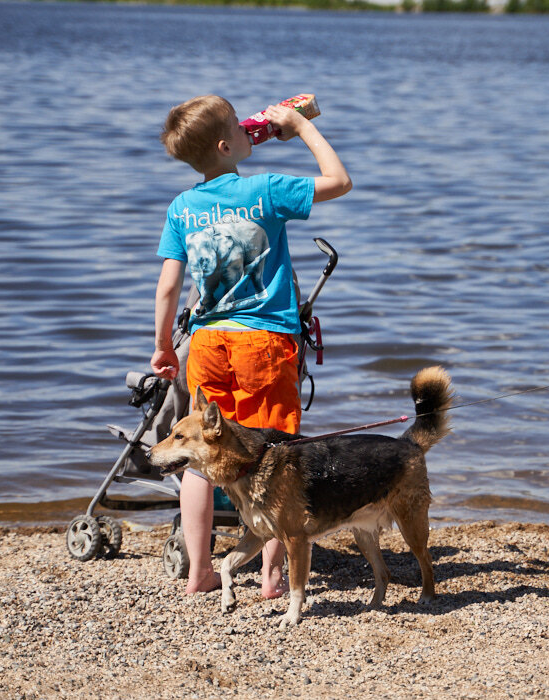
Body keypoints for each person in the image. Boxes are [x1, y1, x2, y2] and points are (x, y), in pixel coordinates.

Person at [150, 95, 351, 596]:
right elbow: (339, 180)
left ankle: (199, 572)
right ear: (226, 146)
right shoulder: (266, 189)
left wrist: (163, 346)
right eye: (241, 127)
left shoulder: (182, 207)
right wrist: (301, 127)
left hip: (207, 342)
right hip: (263, 342)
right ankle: (271, 574)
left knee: (200, 455)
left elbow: (168, 287)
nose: (250, 128)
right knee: (276, 455)